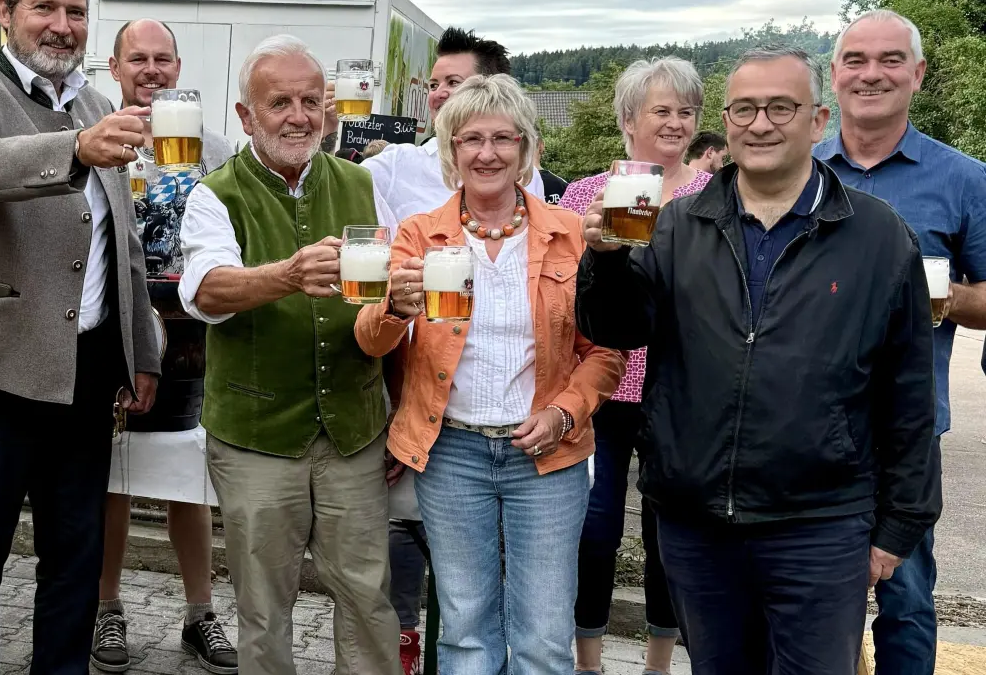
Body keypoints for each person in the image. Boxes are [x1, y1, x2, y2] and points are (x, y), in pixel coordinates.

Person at [576, 46, 941, 675]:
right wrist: (605, 262)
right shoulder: (675, 224)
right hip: (697, 524)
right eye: (744, 109)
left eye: (780, 107)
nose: (760, 123)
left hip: (820, 525)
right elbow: (617, 328)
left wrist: (900, 524)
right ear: (726, 121)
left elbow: (907, 392)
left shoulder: (878, 236)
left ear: (818, 121)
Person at [0, 0, 162, 675]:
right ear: (6, 12)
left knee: (76, 560)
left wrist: (140, 349)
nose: (61, 25)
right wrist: (77, 148)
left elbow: (123, 239)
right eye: (44, 7)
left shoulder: (98, 104)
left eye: (75, 11)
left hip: (85, 371)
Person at [357, 74, 623, 675]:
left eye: (504, 138)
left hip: (547, 455)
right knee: (466, 632)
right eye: (471, 139)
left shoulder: (570, 234)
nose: (487, 153)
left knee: (544, 637)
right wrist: (395, 306)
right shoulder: (418, 234)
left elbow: (606, 352)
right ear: (451, 149)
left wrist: (564, 414)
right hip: (452, 452)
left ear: (525, 148)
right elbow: (370, 339)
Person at [180, 34, 398, 675]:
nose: (299, 117)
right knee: (264, 606)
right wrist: (287, 275)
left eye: (311, 101)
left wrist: (404, 407)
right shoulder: (215, 193)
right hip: (257, 435)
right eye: (280, 103)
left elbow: (395, 298)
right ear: (246, 116)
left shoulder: (363, 183)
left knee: (367, 598)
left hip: (355, 431)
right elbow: (205, 291)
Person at [815, 9, 986, 673]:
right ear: (834, 75)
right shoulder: (795, 168)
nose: (872, 74)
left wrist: (936, 296)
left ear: (917, 74)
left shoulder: (964, 179)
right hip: (796, 424)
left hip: (903, 427)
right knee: (803, 595)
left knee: (906, 595)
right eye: (856, 60)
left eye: (890, 60)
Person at [557, 57, 711, 675]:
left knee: (666, 533)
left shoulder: (714, 196)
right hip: (603, 388)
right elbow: (567, 295)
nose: (675, 123)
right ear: (627, 119)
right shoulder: (586, 195)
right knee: (593, 528)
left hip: (681, 389)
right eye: (661, 110)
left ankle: (657, 664)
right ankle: (588, 661)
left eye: (686, 112)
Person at [93, 18, 237, 674]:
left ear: (178, 67)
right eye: (138, 59)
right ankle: (106, 608)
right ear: (115, 67)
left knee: (189, 479)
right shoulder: (99, 137)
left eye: (163, 59)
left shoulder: (213, 147)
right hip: (117, 331)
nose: (151, 70)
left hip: (192, 339)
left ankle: (200, 613)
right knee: (112, 478)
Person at [366, 27, 544, 234]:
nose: (438, 94)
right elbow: (338, 184)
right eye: (433, 85)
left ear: (489, 89)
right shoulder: (397, 164)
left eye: (453, 83)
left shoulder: (524, 173)